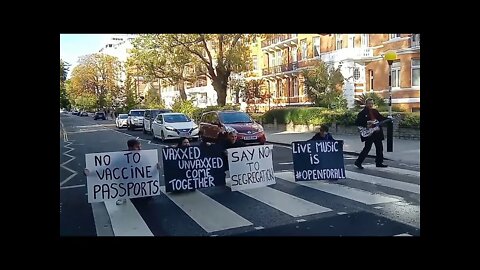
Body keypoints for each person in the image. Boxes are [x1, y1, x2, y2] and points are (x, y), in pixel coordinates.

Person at [84, 138, 159, 205]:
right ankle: (123, 196)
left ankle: (145, 194)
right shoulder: (121, 157)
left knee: (147, 198)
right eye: (137, 147)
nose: (140, 149)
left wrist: (156, 168)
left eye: (140, 147)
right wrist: (90, 172)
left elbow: (149, 172)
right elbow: (107, 168)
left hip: (141, 186)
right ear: (130, 148)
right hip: (127, 186)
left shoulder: (144, 157)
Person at [354, 98, 389, 169]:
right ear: (366, 104)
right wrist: (367, 123)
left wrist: (388, 119)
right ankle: (358, 162)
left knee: (379, 148)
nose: (371, 105)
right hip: (369, 133)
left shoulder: (375, 111)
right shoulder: (362, 113)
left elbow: (380, 118)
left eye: (372, 103)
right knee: (367, 148)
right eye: (369, 103)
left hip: (377, 133)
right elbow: (358, 122)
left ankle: (379, 162)